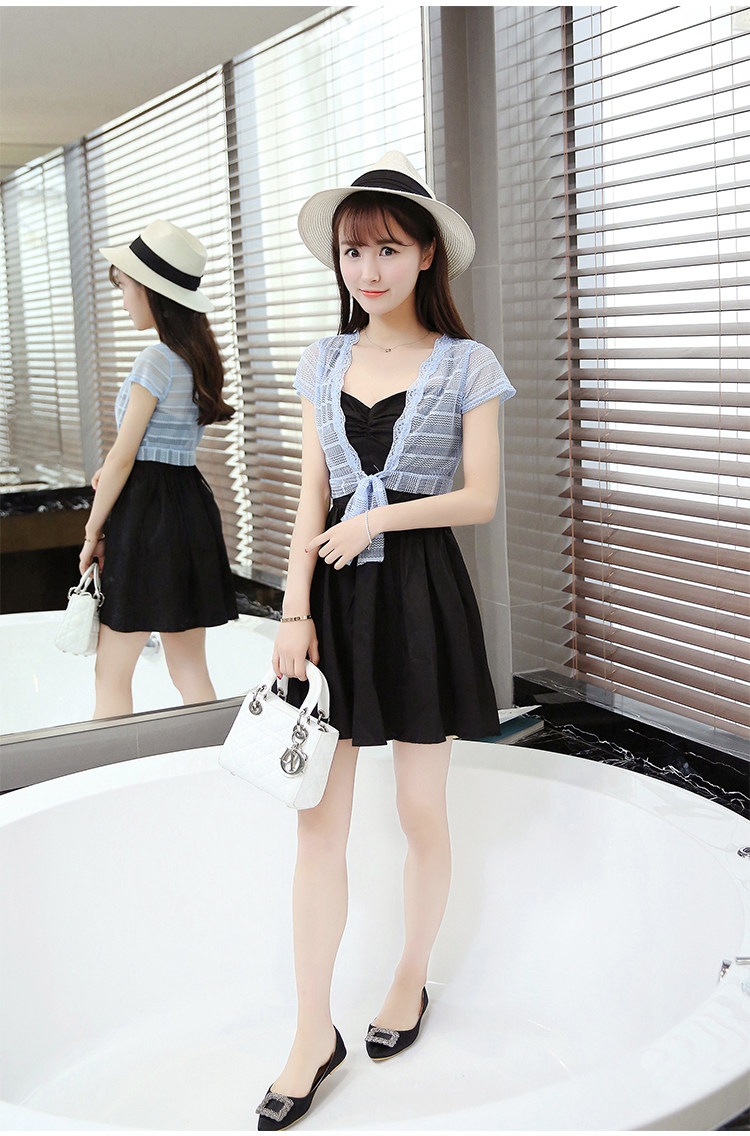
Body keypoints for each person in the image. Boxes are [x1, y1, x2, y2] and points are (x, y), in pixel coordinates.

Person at [254, 152, 515, 1131]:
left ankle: (410, 975)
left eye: (389, 249)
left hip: (421, 594)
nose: (368, 269)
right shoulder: (322, 360)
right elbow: (311, 494)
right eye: (353, 251)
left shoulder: (467, 364)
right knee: (315, 821)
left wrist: (379, 520)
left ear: (426, 254)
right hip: (332, 596)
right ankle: (309, 1032)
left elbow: (479, 499)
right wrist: (292, 609)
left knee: (418, 808)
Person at [79, 219, 238, 719]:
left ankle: (111, 767)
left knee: (111, 672)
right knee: (189, 669)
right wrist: (116, 478)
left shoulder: (154, 360)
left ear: (151, 291)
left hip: (147, 519)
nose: (124, 299)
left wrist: (92, 532)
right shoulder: (196, 359)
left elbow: (124, 456)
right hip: (189, 509)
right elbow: (154, 450)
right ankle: (212, 760)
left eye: (126, 287)